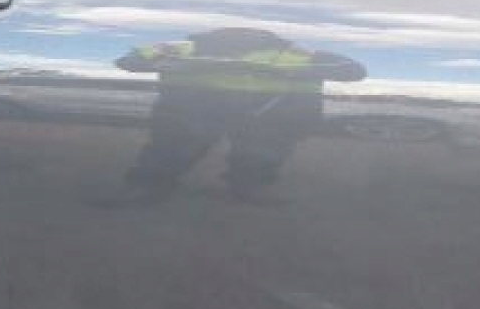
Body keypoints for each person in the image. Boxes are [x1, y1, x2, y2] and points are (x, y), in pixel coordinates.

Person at [112, 28, 366, 205]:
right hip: (199, 110)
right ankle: (149, 185)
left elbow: (354, 71)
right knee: (176, 143)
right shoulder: (182, 48)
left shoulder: (300, 55)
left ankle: (247, 186)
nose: (242, 36)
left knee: (262, 150)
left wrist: (279, 71)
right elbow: (128, 61)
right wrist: (191, 63)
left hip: (266, 114)